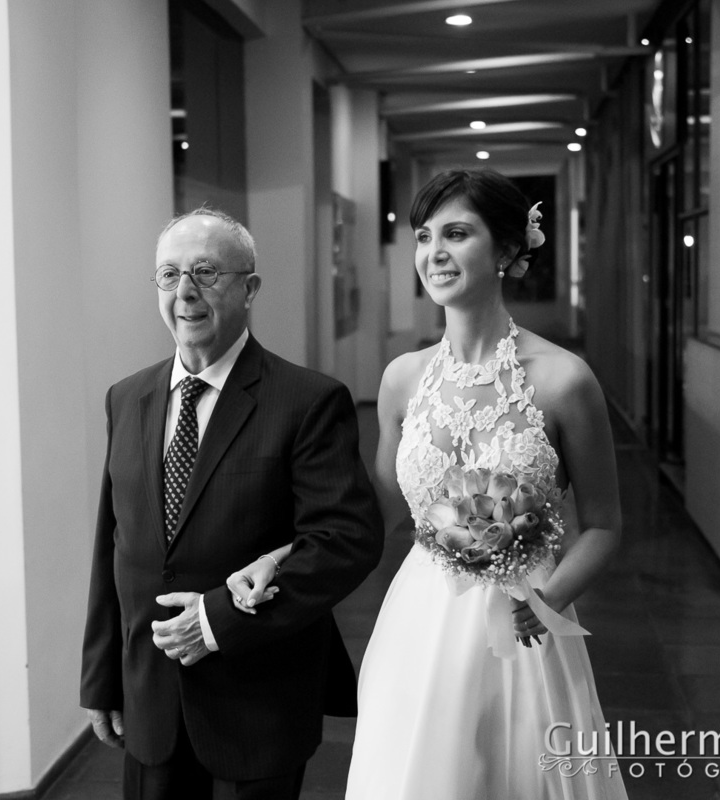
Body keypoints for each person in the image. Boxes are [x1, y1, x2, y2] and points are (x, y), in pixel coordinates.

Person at [230, 169, 629, 799]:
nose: (433, 252)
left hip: (524, 624)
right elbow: (377, 512)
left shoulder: (563, 379)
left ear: (505, 250)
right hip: (419, 618)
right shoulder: (403, 379)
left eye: (457, 233)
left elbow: (605, 524)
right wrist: (282, 557)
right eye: (423, 236)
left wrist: (549, 599)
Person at [80, 207, 383, 800]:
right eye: (169, 276)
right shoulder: (128, 397)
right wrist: (101, 679)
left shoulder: (307, 401)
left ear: (250, 288)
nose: (185, 292)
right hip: (151, 695)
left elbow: (346, 540)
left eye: (205, 272)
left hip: (260, 695)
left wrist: (216, 620)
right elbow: (112, 544)